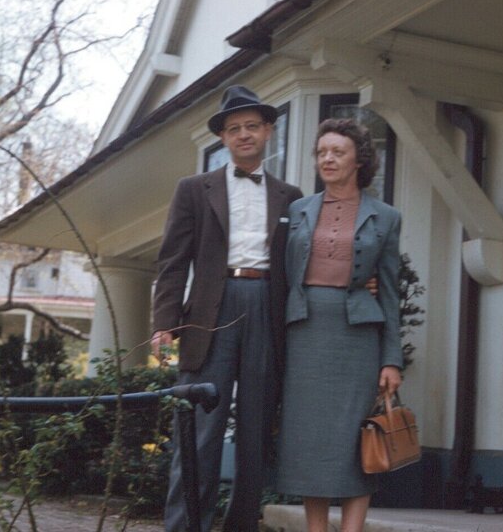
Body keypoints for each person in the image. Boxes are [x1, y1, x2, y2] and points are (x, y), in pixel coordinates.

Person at [151, 85, 303, 532]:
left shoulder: (291, 196)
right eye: (234, 129)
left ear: (268, 131)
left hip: (266, 307)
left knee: (256, 433)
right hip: (208, 313)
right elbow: (173, 261)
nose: (243, 135)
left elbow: (303, 261)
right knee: (199, 430)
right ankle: (185, 527)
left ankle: (241, 526)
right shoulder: (194, 189)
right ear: (223, 138)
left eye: (252, 126)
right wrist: (164, 324)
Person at [276, 118, 403, 532]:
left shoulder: (385, 217)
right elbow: (282, 273)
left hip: (357, 338)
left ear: (359, 160)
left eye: (338, 152)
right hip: (305, 333)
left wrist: (391, 360)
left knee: (354, 439)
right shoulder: (297, 210)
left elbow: (388, 292)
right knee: (310, 439)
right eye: (322, 152)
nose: (327, 159)